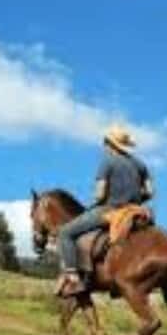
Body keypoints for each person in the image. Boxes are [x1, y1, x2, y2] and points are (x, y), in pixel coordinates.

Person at [55, 124, 153, 297]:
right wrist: (135, 199)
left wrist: (96, 202)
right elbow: (150, 192)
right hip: (137, 212)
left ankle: (73, 278)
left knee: (65, 233)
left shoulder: (107, 162)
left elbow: (100, 194)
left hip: (111, 210)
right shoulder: (140, 164)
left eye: (105, 142)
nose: (104, 146)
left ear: (110, 144)